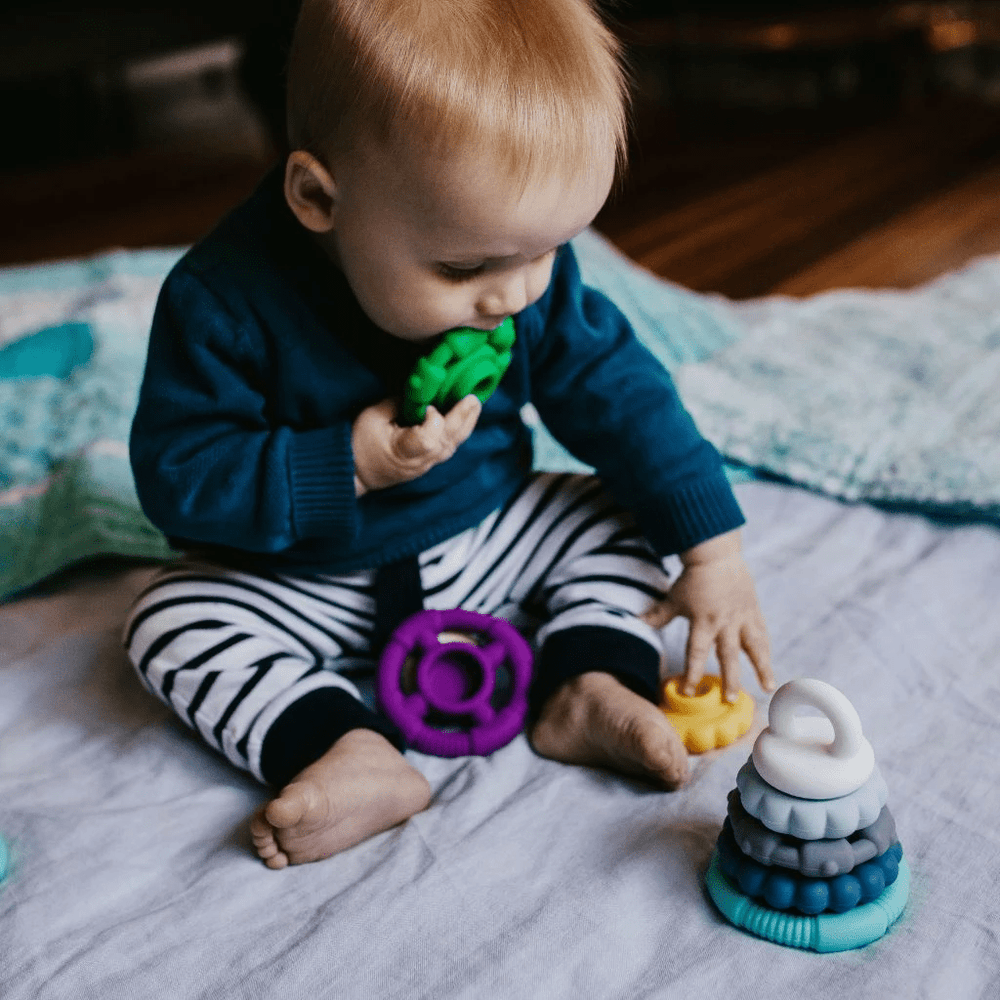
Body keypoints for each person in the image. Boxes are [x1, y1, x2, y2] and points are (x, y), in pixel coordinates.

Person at [125, 0, 774, 870]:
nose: (513, 295)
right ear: (318, 197)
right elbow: (180, 477)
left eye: (549, 250)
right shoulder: (220, 304)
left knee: (622, 515)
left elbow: (620, 393)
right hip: (309, 579)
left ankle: (588, 680)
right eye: (465, 267)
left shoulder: (516, 264)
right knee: (169, 623)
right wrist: (346, 464)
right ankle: (341, 745)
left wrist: (711, 552)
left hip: (491, 536)